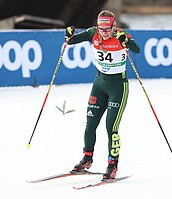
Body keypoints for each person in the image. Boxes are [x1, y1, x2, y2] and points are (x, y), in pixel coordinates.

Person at [65, 10, 140, 180]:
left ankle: (112, 165)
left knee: (111, 128)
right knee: (90, 124)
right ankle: (87, 158)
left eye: (107, 29)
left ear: (114, 27)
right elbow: (71, 41)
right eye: (101, 29)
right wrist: (68, 35)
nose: (104, 33)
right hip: (99, 85)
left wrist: (126, 41)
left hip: (118, 88)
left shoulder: (120, 35)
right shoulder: (93, 33)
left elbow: (137, 50)